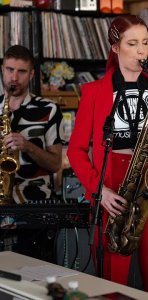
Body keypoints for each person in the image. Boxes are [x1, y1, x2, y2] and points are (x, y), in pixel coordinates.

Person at [67, 15, 148, 298]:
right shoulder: (92, 92)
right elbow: (76, 150)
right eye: (132, 43)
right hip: (112, 183)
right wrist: (100, 192)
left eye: (145, 43)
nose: (142, 51)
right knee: (111, 279)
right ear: (115, 48)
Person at [0, 45, 64, 258]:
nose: (14, 78)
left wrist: (27, 146)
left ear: (32, 74)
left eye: (21, 71)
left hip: (33, 207)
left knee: (33, 274)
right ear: (2, 69)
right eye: (9, 69)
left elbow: (55, 164)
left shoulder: (49, 110)